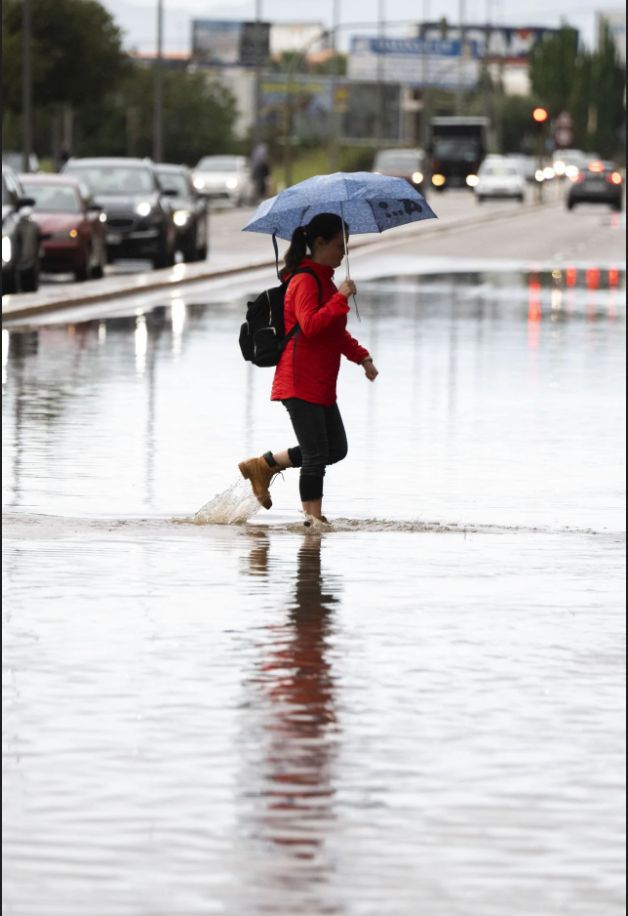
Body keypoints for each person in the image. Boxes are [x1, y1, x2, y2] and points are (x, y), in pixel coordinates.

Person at [239, 212, 379, 526]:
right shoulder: (304, 280)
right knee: (316, 455)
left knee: (335, 448)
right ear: (319, 243)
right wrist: (341, 299)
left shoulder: (325, 281)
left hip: (321, 383)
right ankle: (312, 522)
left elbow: (335, 333)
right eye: (339, 244)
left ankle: (265, 465)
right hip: (300, 380)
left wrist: (363, 358)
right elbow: (312, 326)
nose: (344, 252)